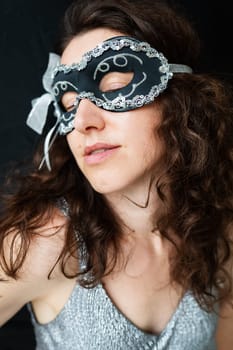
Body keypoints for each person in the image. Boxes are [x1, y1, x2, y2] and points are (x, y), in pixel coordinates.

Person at [0, 0, 233, 348]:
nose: (82, 122)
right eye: (68, 103)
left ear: (180, 100)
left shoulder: (220, 230)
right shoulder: (47, 242)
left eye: (112, 88)